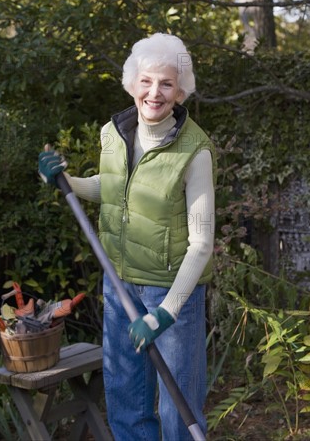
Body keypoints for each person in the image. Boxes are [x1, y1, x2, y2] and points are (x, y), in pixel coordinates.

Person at [38, 33, 216, 441]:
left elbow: (202, 242)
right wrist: (64, 180)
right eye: (147, 81)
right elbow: (112, 185)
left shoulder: (195, 151)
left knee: (179, 411)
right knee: (127, 403)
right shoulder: (114, 133)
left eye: (167, 84)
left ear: (180, 90)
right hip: (118, 284)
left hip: (171, 292)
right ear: (133, 82)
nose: (155, 93)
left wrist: (166, 312)